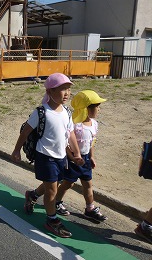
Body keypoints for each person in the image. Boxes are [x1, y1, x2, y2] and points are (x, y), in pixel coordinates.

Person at [11, 73, 82, 238]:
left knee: (55, 183)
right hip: (45, 156)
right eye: (62, 89)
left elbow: (70, 133)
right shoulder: (41, 112)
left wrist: (76, 152)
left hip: (61, 156)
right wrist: (16, 150)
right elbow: (25, 132)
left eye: (68, 89)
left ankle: (33, 195)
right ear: (50, 91)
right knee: (52, 189)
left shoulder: (66, 111)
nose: (66, 93)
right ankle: (52, 220)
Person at [54, 90, 108, 222]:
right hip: (73, 160)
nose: (99, 110)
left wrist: (92, 157)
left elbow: (91, 142)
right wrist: (72, 158)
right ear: (86, 108)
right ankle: (56, 202)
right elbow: (66, 143)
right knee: (68, 184)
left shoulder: (94, 124)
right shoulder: (74, 125)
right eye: (97, 107)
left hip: (86, 160)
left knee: (88, 184)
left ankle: (90, 208)